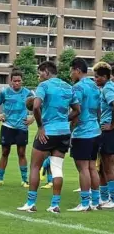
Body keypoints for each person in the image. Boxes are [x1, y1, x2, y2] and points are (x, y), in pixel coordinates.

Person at [17, 61, 80, 213]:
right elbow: (77, 110)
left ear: (46, 72)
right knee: (57, 168)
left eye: (39, 73)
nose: (39, 77)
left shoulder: (44, 86)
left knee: (35, 166)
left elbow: (36, 106)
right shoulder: (68, 87)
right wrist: (64, 121)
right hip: (63, 133)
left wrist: (40, 127)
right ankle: (55, 204)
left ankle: (31, 203)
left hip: (48, 132)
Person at [68, 58, 101, 211]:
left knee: (83, 168)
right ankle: (95, 201)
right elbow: (99, 110)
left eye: (71, 70)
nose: (70, 74)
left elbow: (77, 111)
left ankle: (85, 203)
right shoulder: (95, 86)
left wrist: (69, 127)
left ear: (77, 70)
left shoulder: (78, 88)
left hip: (83, 133)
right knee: (92, 167)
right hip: (95, 131)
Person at [0, 69, 34, 187]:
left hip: (22, 127)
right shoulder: (5, 93)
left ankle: (25, 180)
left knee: (21, 153)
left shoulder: (28, 93)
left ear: (22, 81)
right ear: (10, 81)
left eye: (19, 81)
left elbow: (37, 107)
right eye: (14, 81)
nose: (17, 83)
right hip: (7, 126)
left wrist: (32, 118)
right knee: (5, 152)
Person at [93, 62, 114, 209]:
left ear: (106, 77)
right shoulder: (105, 88)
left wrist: (112, 125)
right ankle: (105, 197)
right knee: (101, 167)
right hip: (103, 130)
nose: (95, 79)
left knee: (108, 165)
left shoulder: (108, 88)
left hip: (108, 131)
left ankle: (112, 198)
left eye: (97, 77)